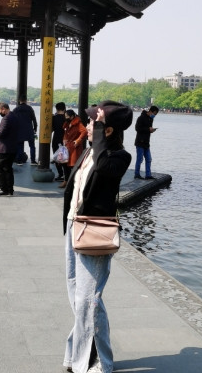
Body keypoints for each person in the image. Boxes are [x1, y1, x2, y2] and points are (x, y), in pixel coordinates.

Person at [62, 100, 133, 373]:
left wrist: (101, 130)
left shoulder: (119, 157)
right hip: (74, 226)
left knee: (88, 299)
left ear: (108, 130)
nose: (88, 126)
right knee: (77, 296)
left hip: (95, 232)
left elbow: (104, 169)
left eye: (94, 123)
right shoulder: (90, 151)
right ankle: (78, 355)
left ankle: (98, 362)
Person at [0, 102, 20, 196]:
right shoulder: (14, 116)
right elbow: (8, 131)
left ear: (3, 109)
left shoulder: (6, 118)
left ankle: (4, 189)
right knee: (8, 168)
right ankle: (10, 190)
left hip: (4, 148)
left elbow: (1, 134)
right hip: (12, 147)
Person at [60, 109, 87, 188]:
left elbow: (84, 132)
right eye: (65, 116)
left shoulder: (78, 123)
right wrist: (64, 139)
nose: (65, 118)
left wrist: (77, 141)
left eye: (67, 116)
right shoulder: (67, 123)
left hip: (74, 148)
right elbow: (66, 133)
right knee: (64, 164)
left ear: (72, 116)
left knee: (73, 165)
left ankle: (74, 182)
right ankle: (66, 180)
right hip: (67, 146)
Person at [133, 105, 159, 179]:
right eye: (154, 114)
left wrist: (151, 130)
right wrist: (148, 129)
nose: (154, 115)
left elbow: (148, 129)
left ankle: (148, 175)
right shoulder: (141, 118)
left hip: (146, 142)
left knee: (149, 159)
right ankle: (137, 174)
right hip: (140, 142)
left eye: (155, 114)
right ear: (150, 111)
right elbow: (137, 128)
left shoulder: (151, 119)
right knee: (139, 159)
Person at [13, 97, 37, 165]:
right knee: (32, 146)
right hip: (29, 130)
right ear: (26, 100)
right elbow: (34, 120)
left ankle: (19, 161)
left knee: (20, 146)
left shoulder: (16, 109)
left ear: (19, 101)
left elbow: (13, 120)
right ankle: (33, 161)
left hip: (19, 130)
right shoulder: (30, 108)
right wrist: (35, 129)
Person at [52, 102, 67, 181]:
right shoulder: (67, 118)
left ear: (56, 109)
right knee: (64, 157)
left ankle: (60, 174)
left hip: (56, 138)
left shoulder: (54, 118)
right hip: (65, 139)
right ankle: (66, 174)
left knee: (56, 156)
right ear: (64, 108)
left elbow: (52, 129)